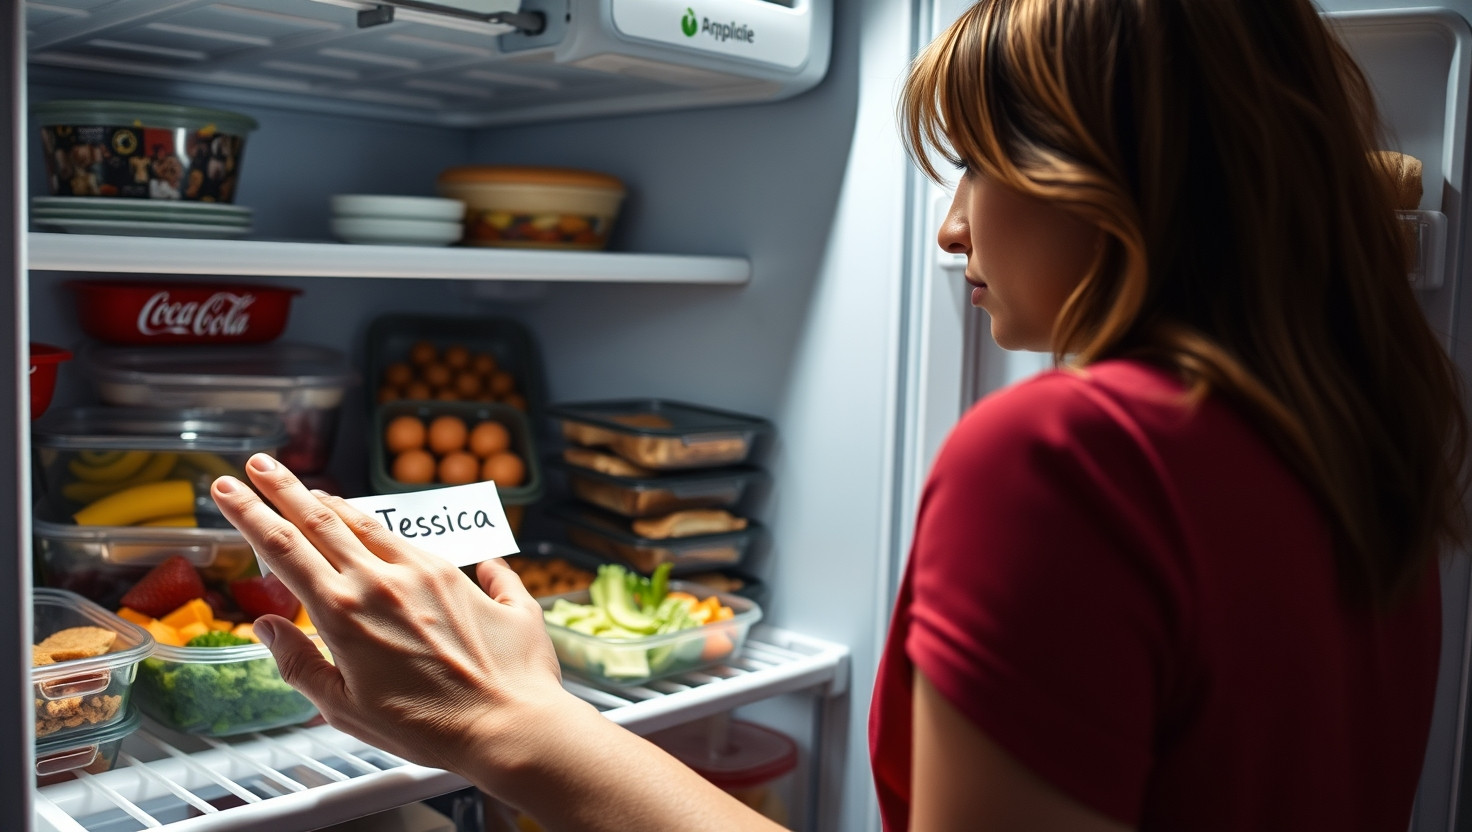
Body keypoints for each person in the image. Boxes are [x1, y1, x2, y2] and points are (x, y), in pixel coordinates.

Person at [209, 1, 1467, 830]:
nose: (951, 228)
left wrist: (511, 722)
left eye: (980, 164)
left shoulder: (1066, 451)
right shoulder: (1359, 442)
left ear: (1117, 175)